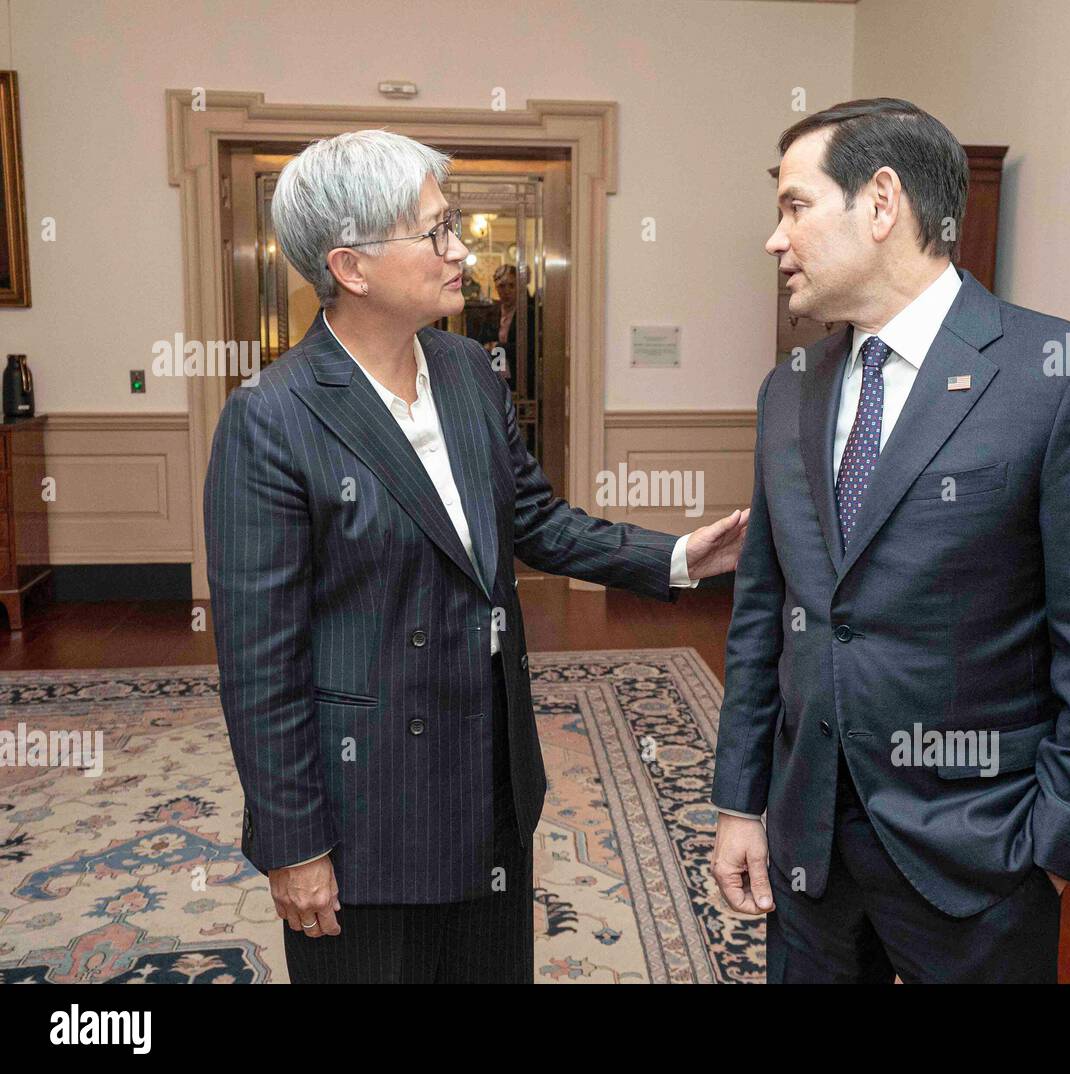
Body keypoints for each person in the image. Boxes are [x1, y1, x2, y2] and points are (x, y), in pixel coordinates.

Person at [204, 129, 748, 983]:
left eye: (452, 224)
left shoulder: (465, 370)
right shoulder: (273, 416)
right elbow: (258, 661)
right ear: (351, 267)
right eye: (435, 232)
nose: (462, 249)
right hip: (363, 813)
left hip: (485, 781)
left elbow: (529, 517)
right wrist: (293, 842)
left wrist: (677, 557)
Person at [709, 99, 1070, 983]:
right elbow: (765, 615)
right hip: (806, 845)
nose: (776, 239)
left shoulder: (1064, 380)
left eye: (796, 207)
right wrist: (741, 803)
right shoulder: (790, 389)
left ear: (882, 203)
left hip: (979, 857)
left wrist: (1059, 837)